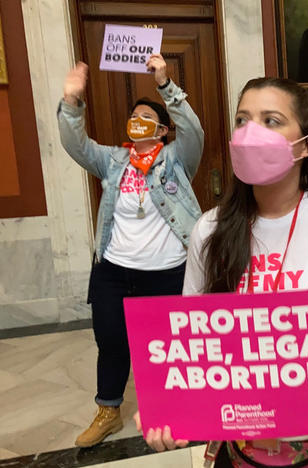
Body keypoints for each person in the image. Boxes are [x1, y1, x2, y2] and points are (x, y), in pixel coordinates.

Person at [138, 77, 308, 467]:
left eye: (271, 120)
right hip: (244, 441)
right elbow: (191, 339)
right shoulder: (210, 229)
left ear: (305, 145)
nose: (251, 132)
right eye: (243, 120)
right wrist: (170, 405)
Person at [58, 55, 204, 448]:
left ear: (161, 128)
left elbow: (194, 131)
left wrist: (164, 84)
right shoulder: (113, 160)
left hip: (167, 273)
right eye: (134, 115)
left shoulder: (176, 160)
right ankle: (108, 410)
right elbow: (76, 145)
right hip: (113, 272)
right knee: (111, 342)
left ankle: (173, 410)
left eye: (146, 116)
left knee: (171, 348)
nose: (137, 119)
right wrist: (72, 103)